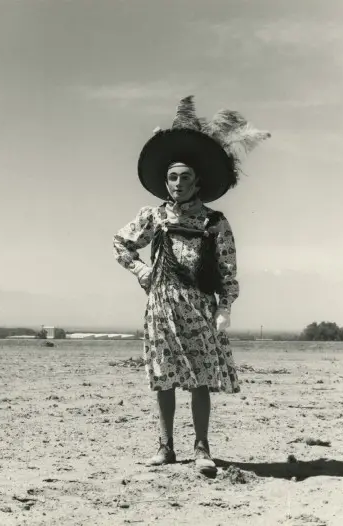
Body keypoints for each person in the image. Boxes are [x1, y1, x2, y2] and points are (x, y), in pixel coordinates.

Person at [113, 96, 270, 475]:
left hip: (199, 308)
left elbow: (228, 270)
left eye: (185, 177)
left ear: (198, 181)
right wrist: (141, 271)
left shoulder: (214, 222)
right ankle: (165, 447)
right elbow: (120, 243)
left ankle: (202, 448)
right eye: (172, 177)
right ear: (164, 181)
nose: (178, 184)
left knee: (200, 379)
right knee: (163, 377)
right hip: (161, 307)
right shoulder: (153, 217)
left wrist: (224, 307)